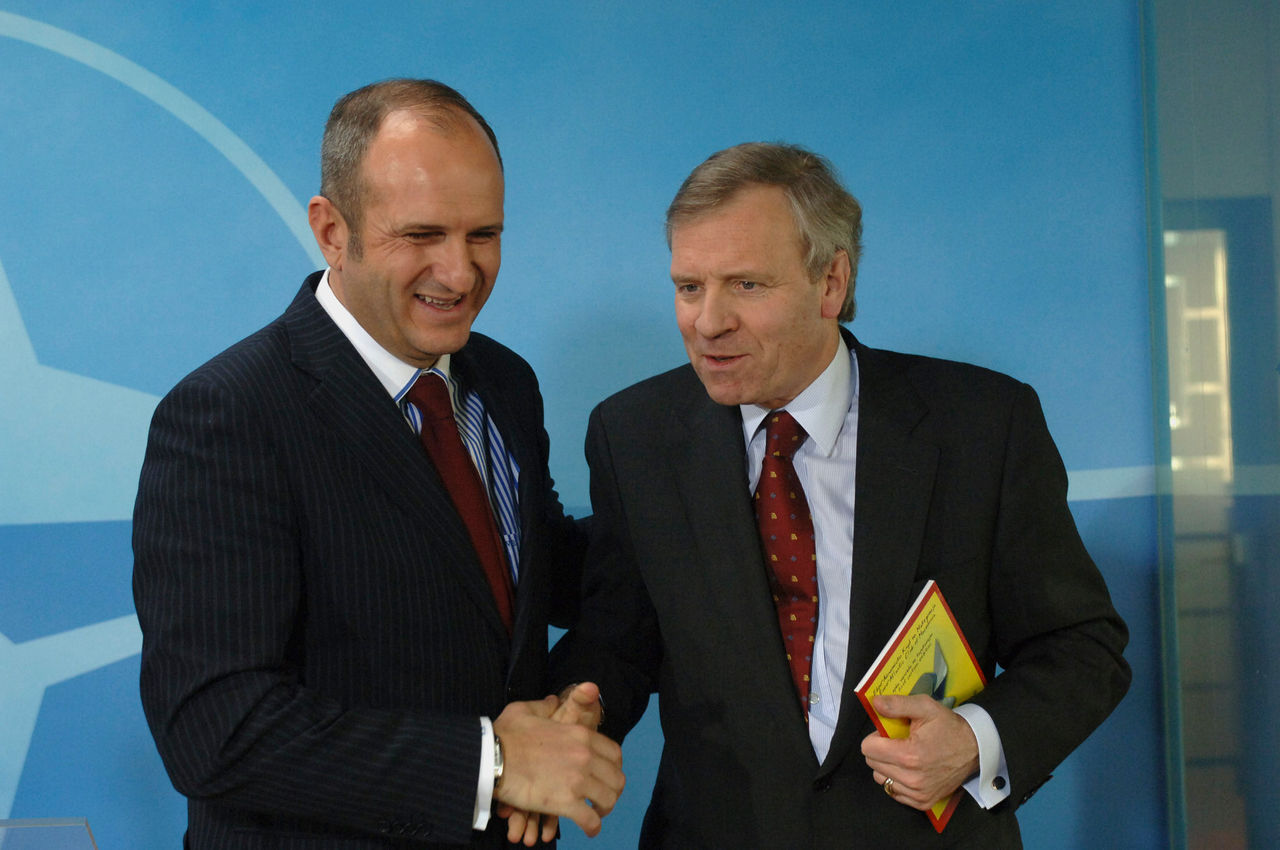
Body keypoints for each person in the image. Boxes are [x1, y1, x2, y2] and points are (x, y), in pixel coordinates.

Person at [549, 142, 1131, 847]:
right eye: (689, 286)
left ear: (831, 282)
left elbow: (1081, 645)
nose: (707, 322)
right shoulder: (633, 435)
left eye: (747, 286)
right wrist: (574, 713)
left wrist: (977, 741)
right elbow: (619, 636)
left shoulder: (981, 426)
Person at [132, 78, 623, 849]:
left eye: (483, 235)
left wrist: (581, 696)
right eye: (421, 236)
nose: (460, 274)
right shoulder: (230, 414)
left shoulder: (502, 380)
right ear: (332, 230)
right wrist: (491, 764)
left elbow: (524, 578)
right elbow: (214, 726)